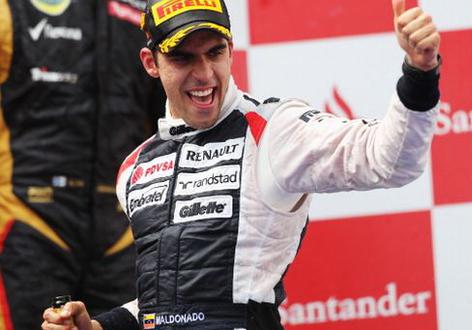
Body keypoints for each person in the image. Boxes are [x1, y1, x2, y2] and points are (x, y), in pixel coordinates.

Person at [42, 0, 441, 328]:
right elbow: (165, 306)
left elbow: (390, 161)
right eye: (182, 58)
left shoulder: (274, 131)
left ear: (231, 49)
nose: (204, 75)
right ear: (151, 63)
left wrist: (420, 73)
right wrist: (99, 326)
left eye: (214, 53)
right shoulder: (135, 167)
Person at [0, 0, 165, 328]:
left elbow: (172, 121)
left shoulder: (146, 15)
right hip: (29, 221)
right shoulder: (10, 10)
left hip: (123, 231)